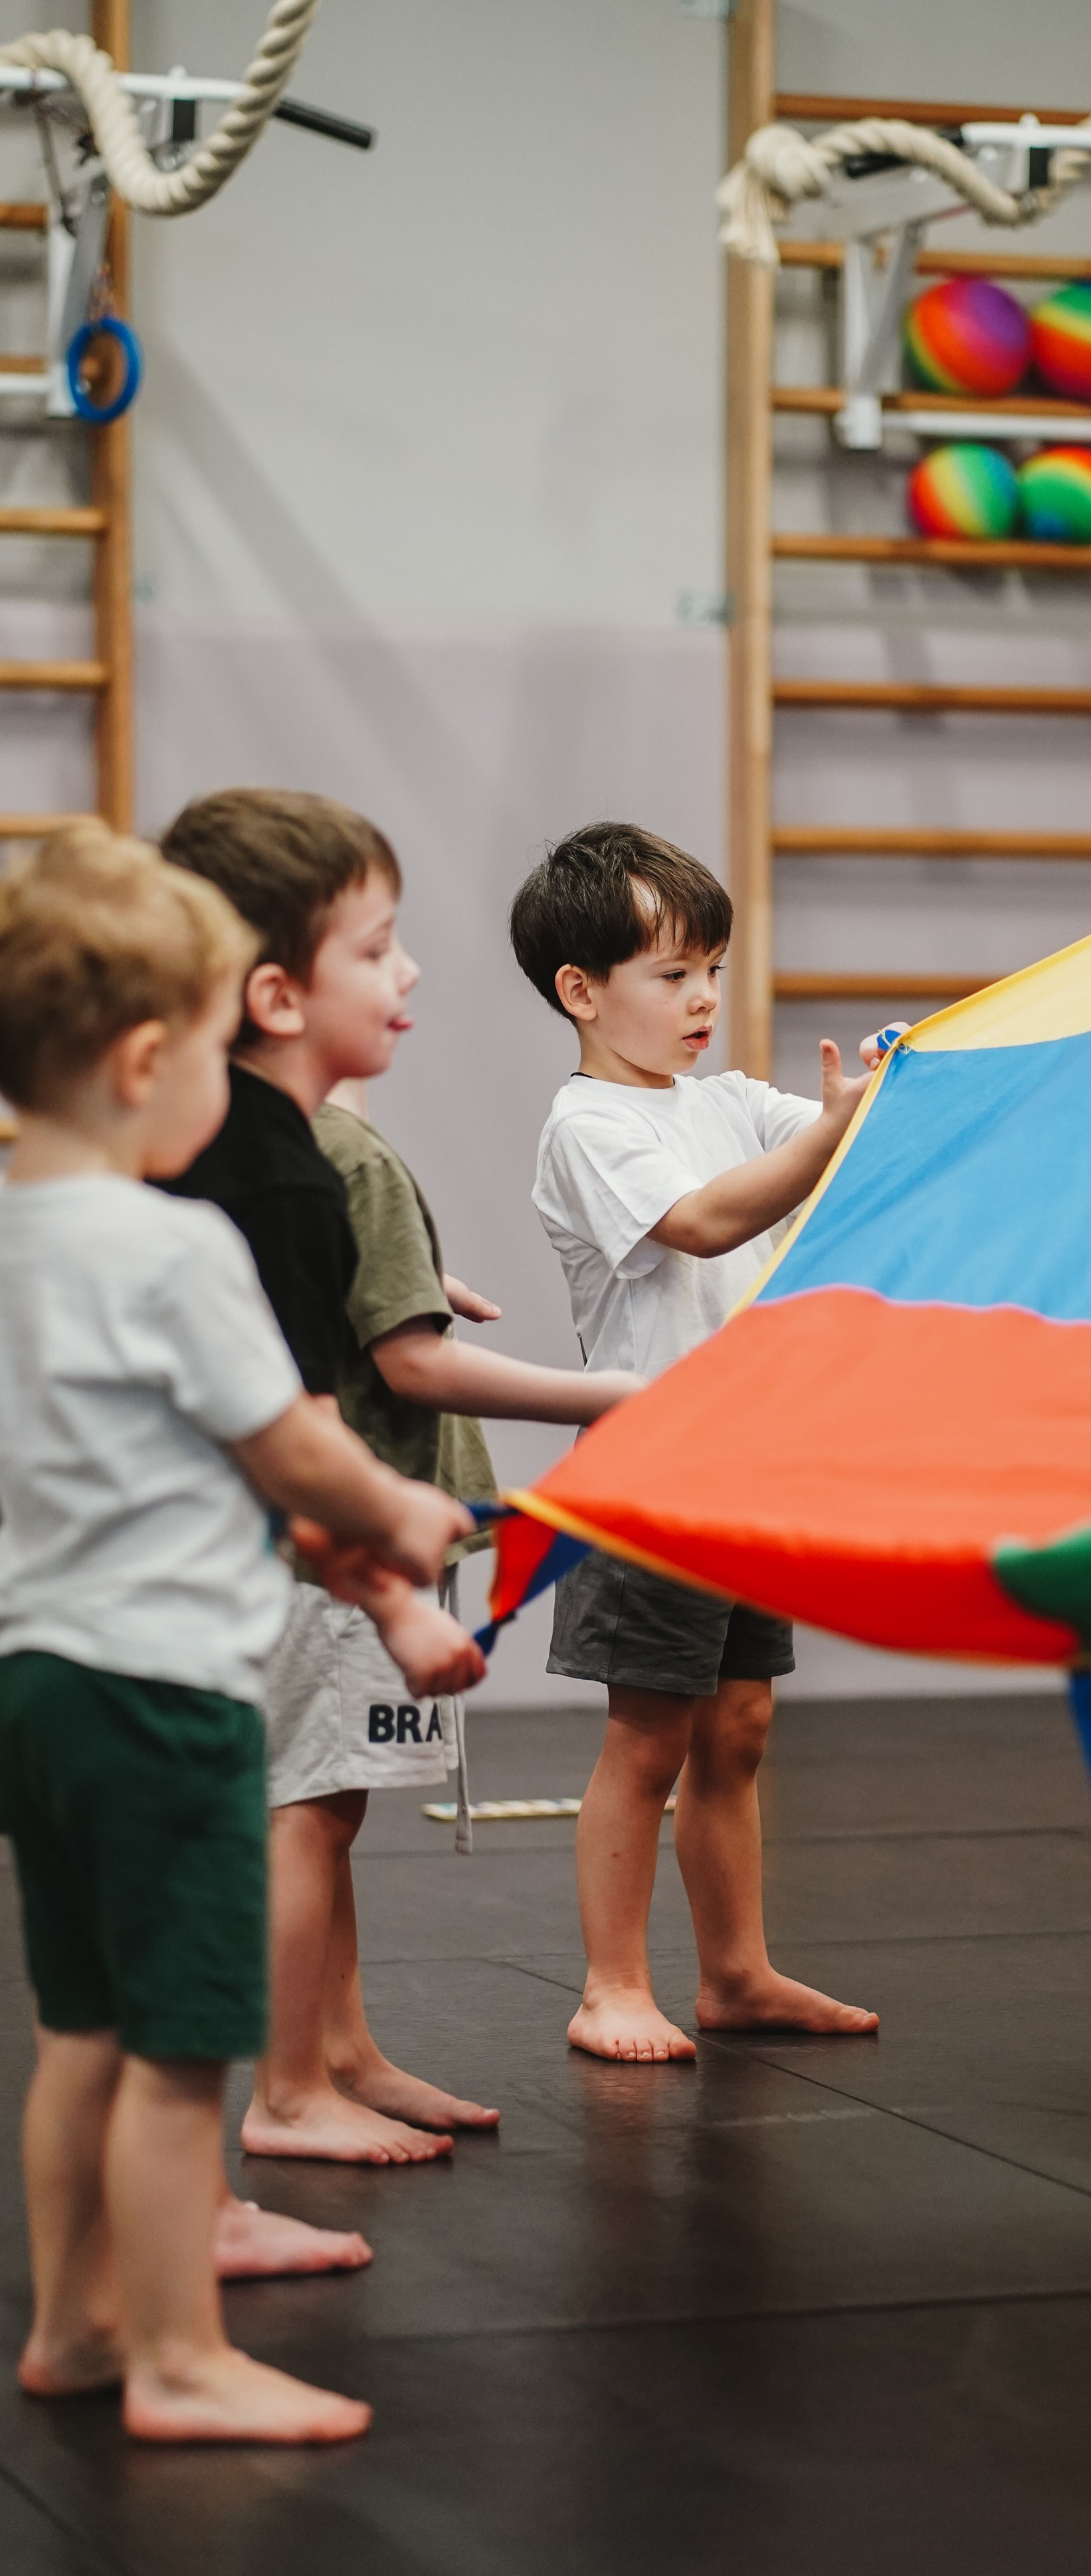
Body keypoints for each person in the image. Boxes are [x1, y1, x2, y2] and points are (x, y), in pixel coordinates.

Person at [0, 826, 478, 2444]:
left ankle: (74, 2324)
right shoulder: (177, 1244)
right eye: (215, 1050)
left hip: (36, 1684)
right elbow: (293, 1448)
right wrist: (405, 1516)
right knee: (178, 2049)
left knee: (81, 2027)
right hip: (166, 1695)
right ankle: (180, 2357)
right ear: (148, 1061)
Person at [160, 788, 631, 2163]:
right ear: (275, 994)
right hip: (268, 1564)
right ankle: (288, 2088)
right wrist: (394, 1583)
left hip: (247, 1558)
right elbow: (316, 1422)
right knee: (300, 1814)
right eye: (375, 949)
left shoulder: (259, 1146)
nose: (410, 973)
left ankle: (335, 2054)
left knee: (318, 1803)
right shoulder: (295, 1167)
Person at [510, 820, 884, 2064]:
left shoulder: (726, 1101)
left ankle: (736, 1974)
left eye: (712, 970)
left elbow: (846, 1136)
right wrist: (829, 1132)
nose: (704, 999)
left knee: (739, 1728)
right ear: (582, 991)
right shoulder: (588, 1126)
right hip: (653, 1475)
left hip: (745, 1470)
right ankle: (611, 1985)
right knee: (649, 1736)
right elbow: (710, 1221)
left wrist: (902, 1079)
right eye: (673, 974)